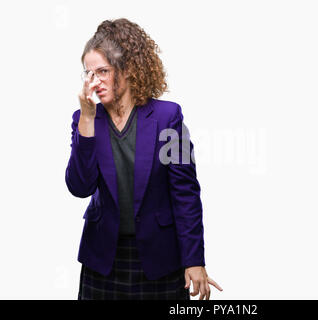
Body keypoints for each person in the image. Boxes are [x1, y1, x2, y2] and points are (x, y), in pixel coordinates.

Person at [65, 18, 222, 300]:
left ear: (128, 69)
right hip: (103, 257)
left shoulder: (168, 117)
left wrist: (194, 259)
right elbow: (80, 187)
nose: (94, 81)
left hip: (159, 258)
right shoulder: (85, 119)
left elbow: (185, 192)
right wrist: (87, 121)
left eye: (103, 71)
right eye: (89, 73)